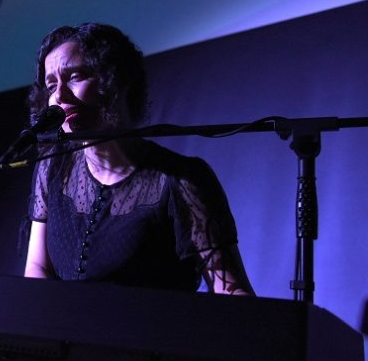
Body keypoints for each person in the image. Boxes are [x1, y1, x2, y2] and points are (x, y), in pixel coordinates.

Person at [22, 23, 254, 295]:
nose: (59, 96)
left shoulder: (182, 180)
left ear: (115, 82)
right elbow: (37, 266)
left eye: (75, 76)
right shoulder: (52, 167)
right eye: (51, 85)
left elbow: (231, 291)